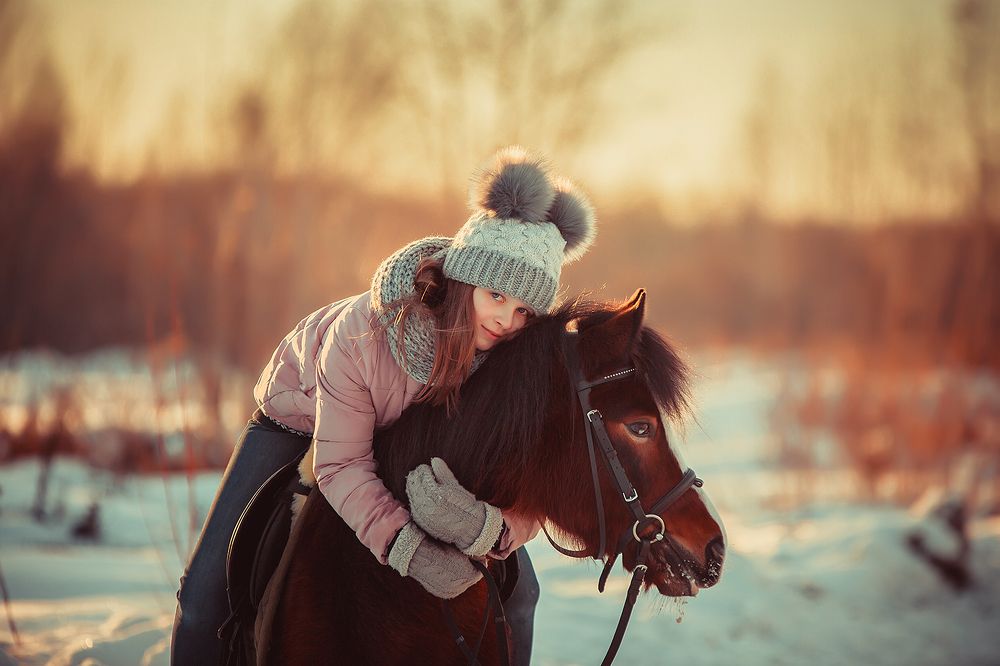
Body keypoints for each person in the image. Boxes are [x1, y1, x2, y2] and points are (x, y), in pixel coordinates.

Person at [170, 145, 597, 665]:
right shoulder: (365, 335)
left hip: (410, 442)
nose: (506, 320)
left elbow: (529, 479)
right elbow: (340, 463)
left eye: (525, 309)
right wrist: (410, 550)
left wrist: (487, 528)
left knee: (523, 593)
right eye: (496, 295)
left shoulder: (510, 358)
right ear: (465, 280)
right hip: (303, 422)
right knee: (200, 602)